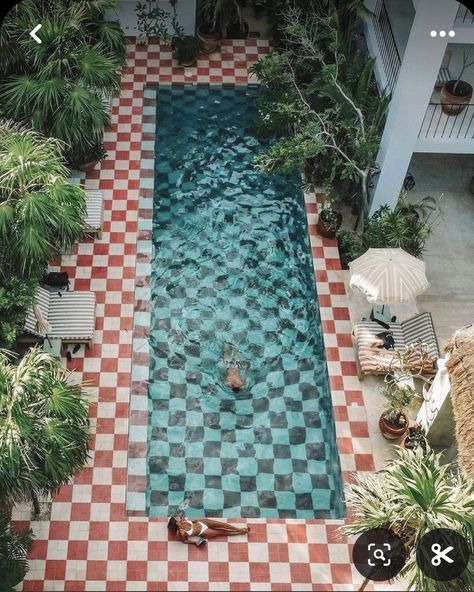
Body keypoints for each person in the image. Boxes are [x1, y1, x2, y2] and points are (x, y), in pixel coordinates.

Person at [168, 516, 249, 546]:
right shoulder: (181, 533)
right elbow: (184, 541)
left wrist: (194, 521)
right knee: (222, 532)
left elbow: (192, 522)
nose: (178, 517)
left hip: (202, 522)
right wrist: (195, 542)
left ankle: (240, 529)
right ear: (176, 523)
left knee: (223, 525)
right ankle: (240, 532)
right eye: (176, 518)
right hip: (203, 532)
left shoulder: (182, 520)